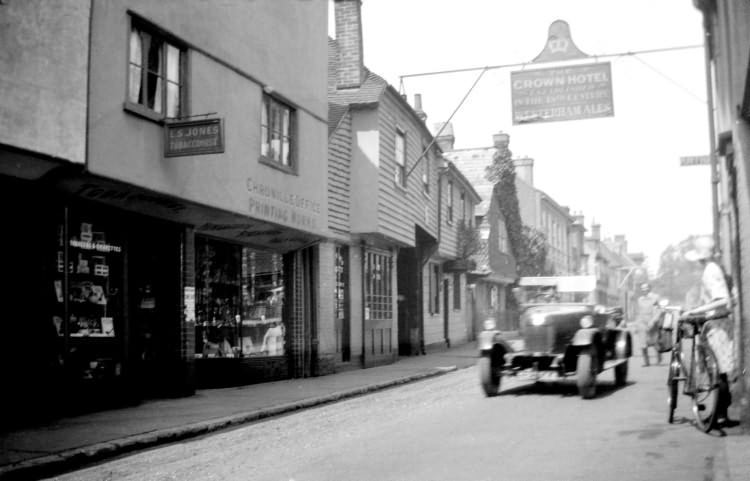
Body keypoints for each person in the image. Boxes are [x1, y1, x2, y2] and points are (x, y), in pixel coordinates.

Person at [683, 235, 738, 428]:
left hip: (717, 324)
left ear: (701, 257)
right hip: (715, 323)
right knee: (719, 372)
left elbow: (722, 300)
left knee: (720, 371)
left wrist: (694, 311)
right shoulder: (714, 269)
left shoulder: (711, 270)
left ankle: (720, 416)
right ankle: (720, 414)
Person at [634, 283, 662, 366]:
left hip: (652, 321)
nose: (644, 290)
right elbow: (638, 312)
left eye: (645, 288)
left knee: (655, 342)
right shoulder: (640, 299)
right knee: (643, 343)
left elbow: (658, 310)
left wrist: (653, 321)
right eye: (642, 288)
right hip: (642, 323)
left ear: (649, 288)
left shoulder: (655, 298)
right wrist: (637, 324)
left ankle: (659, 359)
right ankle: (646, 361)